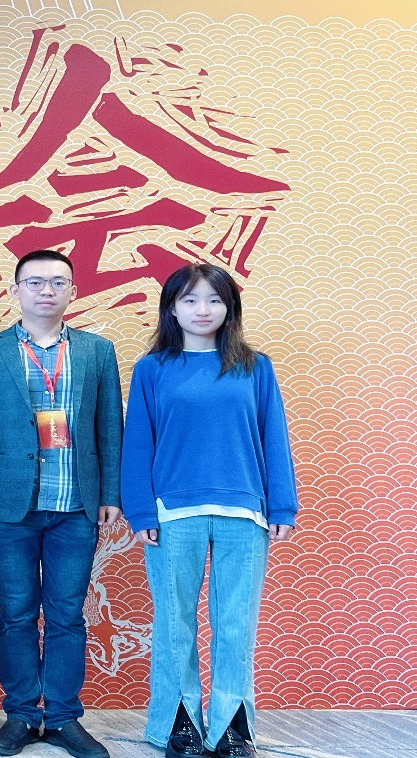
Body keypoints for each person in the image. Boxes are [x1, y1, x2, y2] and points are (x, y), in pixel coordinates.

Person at [121, 264, 297, 758]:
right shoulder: (153, 368)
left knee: (236, 623)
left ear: (230, 308)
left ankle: (231, 726)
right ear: (172, 308)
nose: (203, 310)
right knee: (173, 622)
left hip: (245, 512)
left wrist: (282, 504)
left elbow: (274, 436)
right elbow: (138, 444)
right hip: (172, 512)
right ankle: (177, 723)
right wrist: (141, 511)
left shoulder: (255, 367)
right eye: (191, 300)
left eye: (215, 300)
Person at [0, 249, 123, 758]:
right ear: (15, 291)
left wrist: (110, 494)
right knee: (16, 614)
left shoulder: (97, 351)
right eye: (34, 282)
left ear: (73, 290)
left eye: (57, 282)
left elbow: (109, 427)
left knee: (68, 614)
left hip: (76, 505)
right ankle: (22, 715)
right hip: (9, 507)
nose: (46, 290)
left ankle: (65, 718)